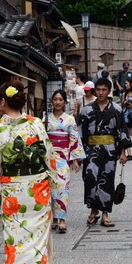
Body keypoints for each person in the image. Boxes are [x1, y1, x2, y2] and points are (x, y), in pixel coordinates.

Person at [0, 81, 60, 264]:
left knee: (14, 248)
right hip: (37, 190)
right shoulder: (36, 124)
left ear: (4, 102)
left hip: (13, 193)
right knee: (37, 248)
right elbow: (48, 156)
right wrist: (55, 185)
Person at [79, 77, 132, 228]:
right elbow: (81, 134)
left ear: (109, 91)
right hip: (90, 150)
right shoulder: (86, 110)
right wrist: (79, 155)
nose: (101, 92)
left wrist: (123, 152)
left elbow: (122, 131)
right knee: (90, 178)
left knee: (107, 180)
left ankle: (105, 214)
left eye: (104, 90)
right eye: (98, 89)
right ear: (94, 90)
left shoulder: (117, 109)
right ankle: (93, 210)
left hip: (110, 150)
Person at [46, 89, 85, 234]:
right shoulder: (45, 119)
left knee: (62, 188)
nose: (57, 102)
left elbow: (74, 138)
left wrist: (75, 159)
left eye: (60, 99)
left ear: (64, 102)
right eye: (55, 99)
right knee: (50, 188)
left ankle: (62, 218)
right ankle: (54, 219)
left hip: (63, 157)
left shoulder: (69, 119)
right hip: (49, 157)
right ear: (52, 101)